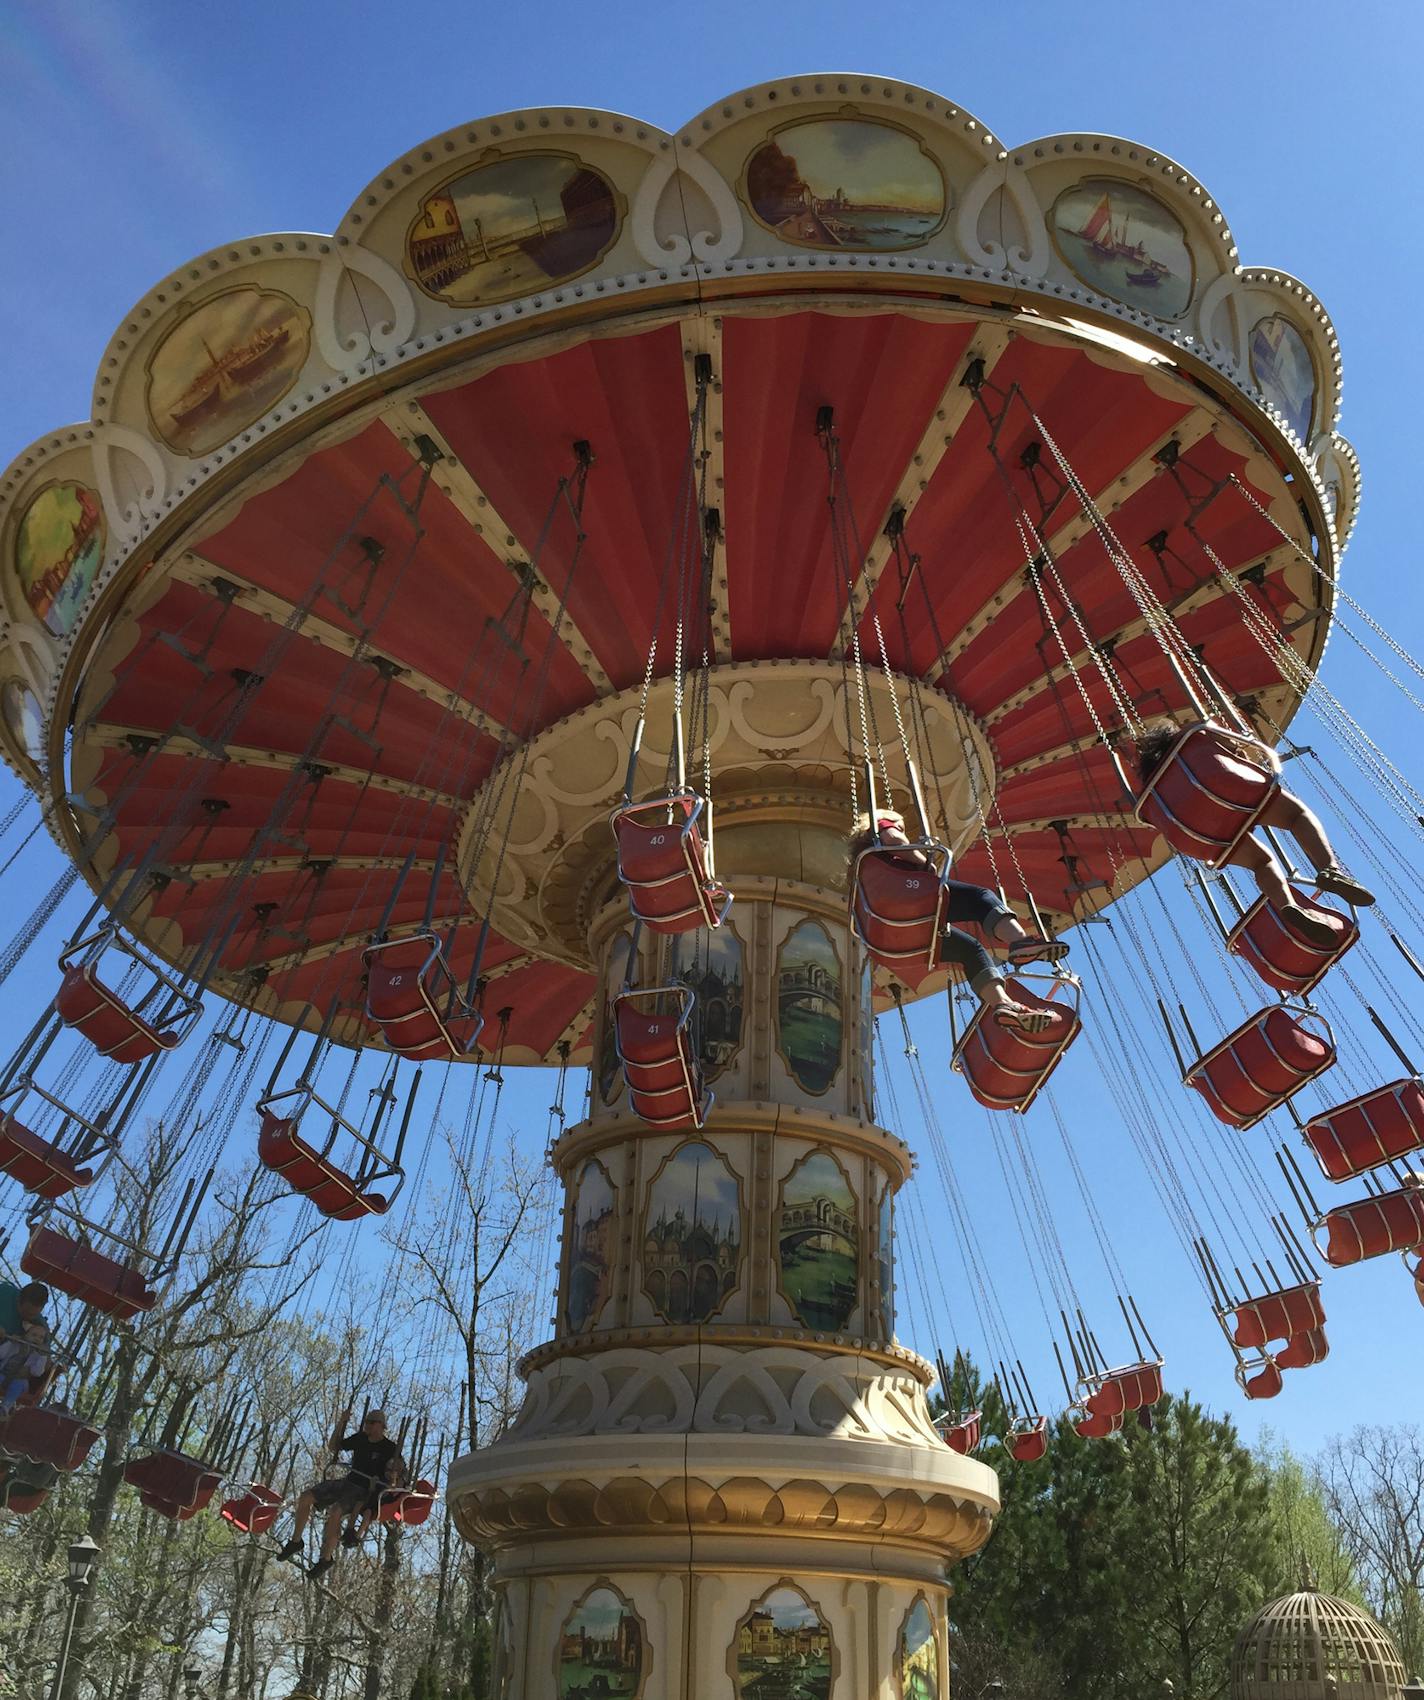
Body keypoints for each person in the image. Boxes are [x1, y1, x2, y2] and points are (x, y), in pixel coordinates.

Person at [1134, 720, 1374, 947]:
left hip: (1192, 831)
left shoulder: (1150, 794)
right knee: (1296, 816)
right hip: (1216, 781)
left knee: (1262, 862)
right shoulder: (1192, 735)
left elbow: (1148, 819)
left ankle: (1289, 906)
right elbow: (1231, 741)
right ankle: (1329, 869)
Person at [850, 808, 1069, 1035]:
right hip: (907, 895)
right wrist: (925, 863)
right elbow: (894, 839)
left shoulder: (862, 864)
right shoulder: (881, 827)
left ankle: (1004, 1004)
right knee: (980, 898)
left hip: (884, 935)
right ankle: (1020, 941)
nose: (901, 830)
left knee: (970, 949)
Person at [279, 1408, 403, 1579]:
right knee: (306, 1497)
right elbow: (333, 1446)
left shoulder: (390, 1448)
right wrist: (341, 1423)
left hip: (365, 1491)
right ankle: (295, 1541)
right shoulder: (360, 1439)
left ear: (381, 1426)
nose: (367, 1425)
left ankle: (326, 1558)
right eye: (366, 1422)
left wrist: (391, 1477)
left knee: (336, 1511)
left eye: (371, 1423)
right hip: (348, 1482)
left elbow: (397, 1475)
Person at [0, 1320, 51, 1413]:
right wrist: (10, 1342)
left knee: (17, 1386)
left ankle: (5, 1407)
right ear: (25, 1335)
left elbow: (36, 1372)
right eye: (34, 1335)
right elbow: (1, 1354)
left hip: (19, 1380)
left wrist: (43, 1356)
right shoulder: (15, 1344)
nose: (37, 1339)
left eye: (41, 1337)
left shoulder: (37, 1355)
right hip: (3, 1373)